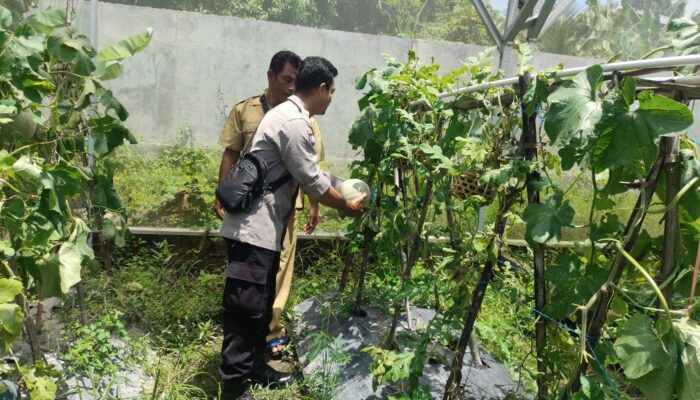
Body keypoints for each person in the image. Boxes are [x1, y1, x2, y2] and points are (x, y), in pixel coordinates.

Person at [218, 56, 365, 399]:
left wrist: (344, 184)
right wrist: (344, 204)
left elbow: (308, 171)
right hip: (253, 232)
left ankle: (254, 366)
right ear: (321, 88)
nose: (332, 98)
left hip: (265, 231)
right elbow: (312, 181)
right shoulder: (294, 122)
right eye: (332, 91)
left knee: (261, 304)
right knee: (244, 309)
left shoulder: (291, 116)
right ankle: (234, 388)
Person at [215, 50, 325, 362]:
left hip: (285, 208)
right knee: (249, 278)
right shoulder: (246, 110)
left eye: (296, 80)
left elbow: (313, 169)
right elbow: (230, 154)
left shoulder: (306, 120)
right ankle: (244, 352)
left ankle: (270, 331)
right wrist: (221, 194)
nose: (291, 87)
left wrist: (315, 205)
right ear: (271, 76)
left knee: (278, 273)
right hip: (248, 210)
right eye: (287, 79)